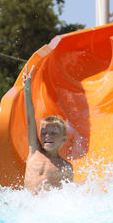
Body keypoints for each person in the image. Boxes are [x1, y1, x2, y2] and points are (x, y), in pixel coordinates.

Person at [22, 65, 73, 194]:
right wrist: (27, 89)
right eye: (43, 133)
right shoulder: (34, 151)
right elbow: (29, 119)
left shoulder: (66, 167)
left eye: (53, 133)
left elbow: (68, 198)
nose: (47, 136)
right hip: (28, 208)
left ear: (64, 139)